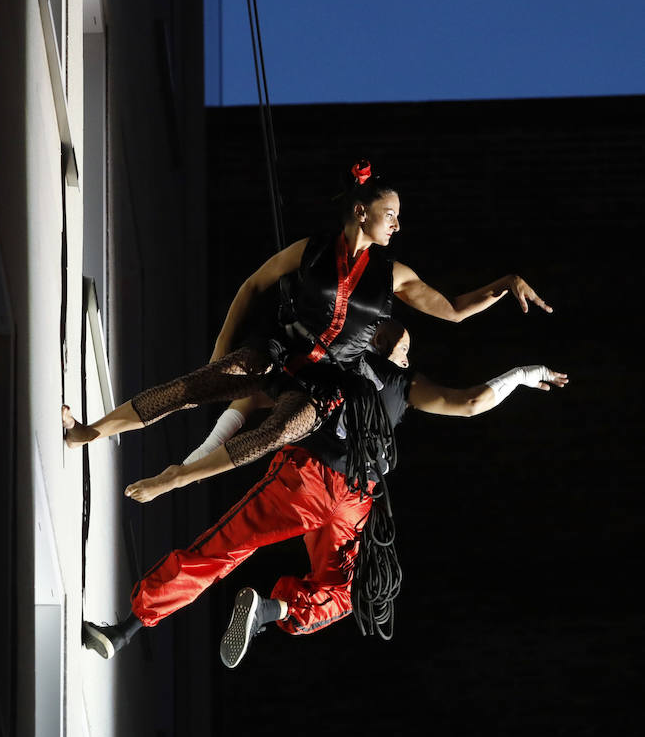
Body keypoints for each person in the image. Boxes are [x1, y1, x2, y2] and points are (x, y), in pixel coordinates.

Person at [82, 318, 568, 667]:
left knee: (322, 583)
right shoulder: (361, 368)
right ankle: (141, 629)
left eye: (404, 343)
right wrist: (527, 374)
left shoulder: (376, 372)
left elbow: (472, 401)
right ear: (380, 339)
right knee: (276, 565)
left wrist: (525, 374)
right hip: (343, 490)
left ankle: (256, 614)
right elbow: (473, 402)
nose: (400, 342)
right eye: (397, 337)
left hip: (327, 487)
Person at [63, 160, 552, 496]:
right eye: (391, 215)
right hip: (281, 352)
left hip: (327, 383)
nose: (397, 226)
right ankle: (91, 431)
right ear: (361, 212)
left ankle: (177, 478)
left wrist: (505, 284)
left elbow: (452, 310)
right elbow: (254, 284)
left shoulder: (392, 275)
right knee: (193, 387)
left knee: (273, 433)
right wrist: (221, 348)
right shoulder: (312, 249)